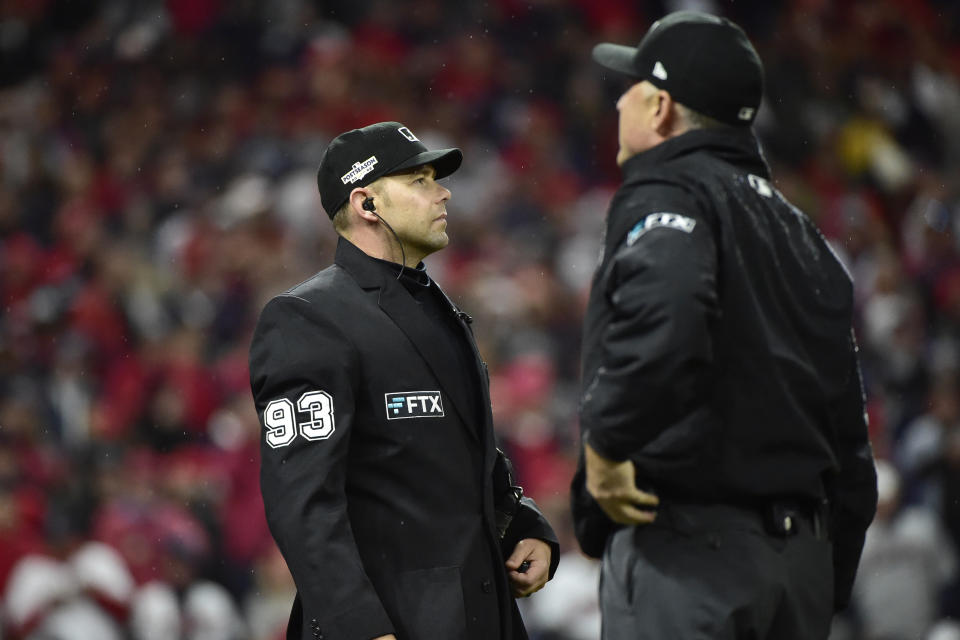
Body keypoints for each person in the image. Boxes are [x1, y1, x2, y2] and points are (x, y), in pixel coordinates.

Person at [569, 11, 878, 640]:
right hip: (798, 568)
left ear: (659, 108)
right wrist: (821, 575)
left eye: (630, 86)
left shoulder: (668, 189)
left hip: (692, 558)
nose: (619, 98)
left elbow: (672, 316)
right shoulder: (803, 235)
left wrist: (605, 448)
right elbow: (849, 435)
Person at [249, 121, 558, 640]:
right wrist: (358, 626)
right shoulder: (309, 318)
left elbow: (460, 456)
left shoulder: (443, 311)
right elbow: (303, 501)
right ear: (367, 204)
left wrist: (522, 524)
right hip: (392, 623)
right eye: (419, 181)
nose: (443, 192)